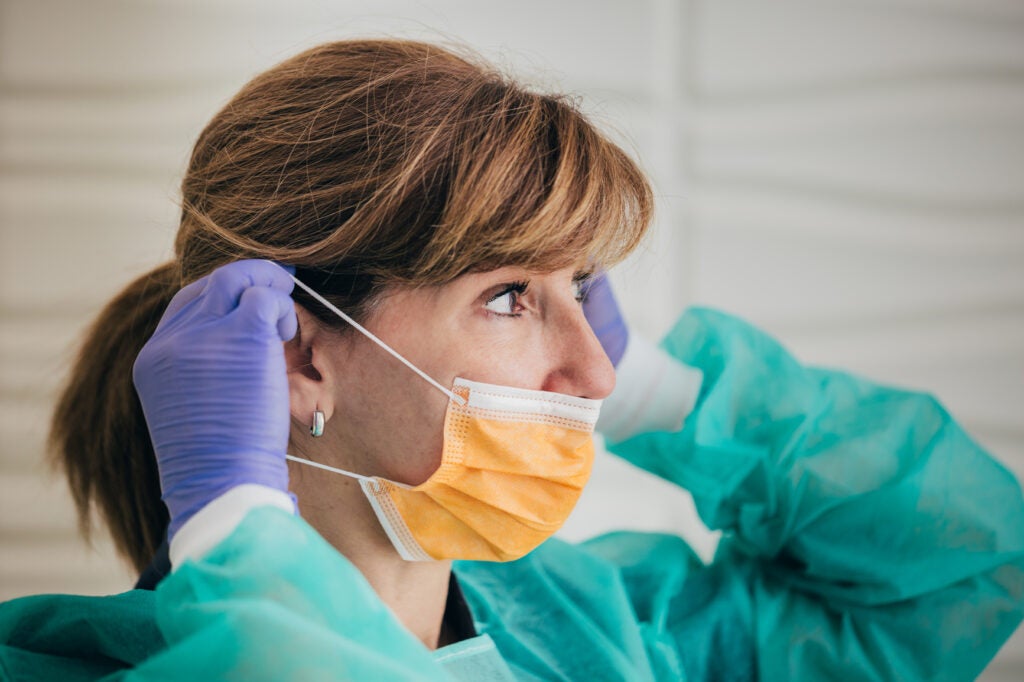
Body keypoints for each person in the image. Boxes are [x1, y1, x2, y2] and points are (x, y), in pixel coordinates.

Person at [1, 39, 1022, 681]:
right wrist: (231, 525)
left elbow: (963, 566)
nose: (594, 373)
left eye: (579, 292)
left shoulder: (620, 637)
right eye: (507, 296)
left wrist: (667, 396)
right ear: (300, 354)